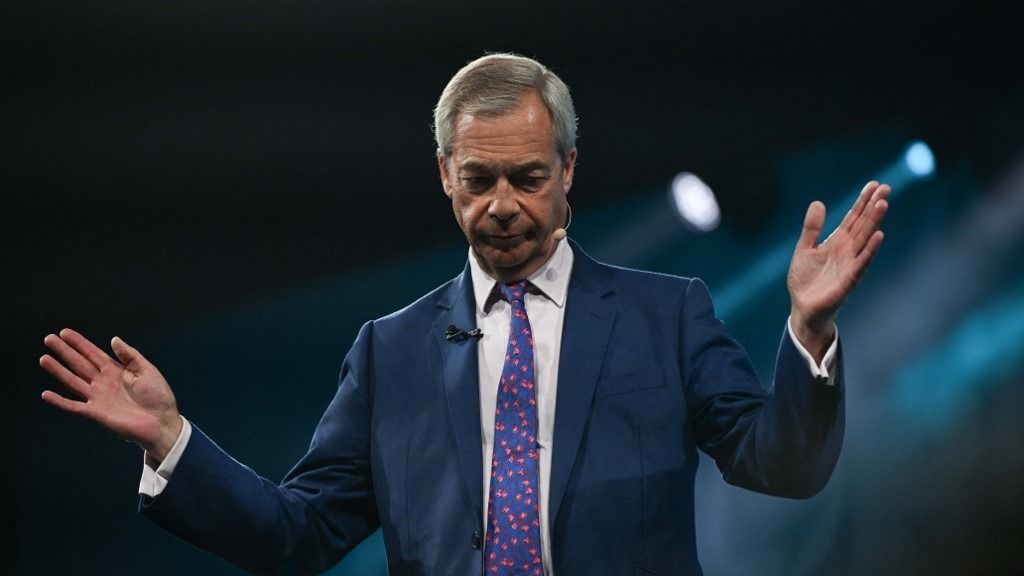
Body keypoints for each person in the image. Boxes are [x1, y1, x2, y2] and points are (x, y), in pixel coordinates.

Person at [39, 53, 889, 576]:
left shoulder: (668, 314)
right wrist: (170, 441)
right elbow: (292, 537)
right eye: (478, 181)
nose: (503, 205)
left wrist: (808, 333)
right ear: (445, 175)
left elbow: (785, 465)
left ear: (569, 168)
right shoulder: (389, 352)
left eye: (527, 176)